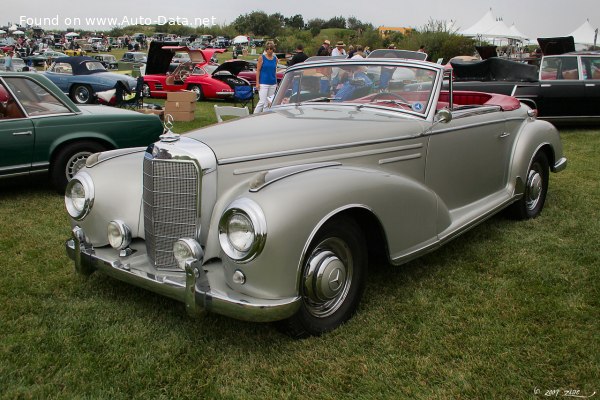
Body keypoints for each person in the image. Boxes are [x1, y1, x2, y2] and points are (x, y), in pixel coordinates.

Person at [254, 43, 278, 113]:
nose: (269, 50)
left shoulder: (275, 59)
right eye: (268, 49)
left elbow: (274, 71)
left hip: (272, 83)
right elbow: (258, 71)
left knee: (268, 102)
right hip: (263, 83)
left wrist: (276, 82)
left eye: (271, 49)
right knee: (262, 101)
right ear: (266, 50)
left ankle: (265, 116)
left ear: (273, 49)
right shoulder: (262, 58)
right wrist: (257, 83)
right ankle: (254, 116)